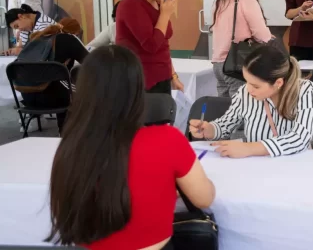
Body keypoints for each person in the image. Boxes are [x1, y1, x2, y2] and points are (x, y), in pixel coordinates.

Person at [45, 45, 215, 249]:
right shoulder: (167, 138)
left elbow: (63, 207)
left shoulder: (72, 145)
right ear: (137, 88)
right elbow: (204, 198)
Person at [190, 45, 313, 158]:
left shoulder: (305, 90)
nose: (249, 89)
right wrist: (209, 129)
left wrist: (249, 148)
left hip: (295, 167)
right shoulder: (244, 92)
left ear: (278, 83)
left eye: (256, 86)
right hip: (256, 166)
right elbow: (225, 125)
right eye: (247, 82)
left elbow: (300, 138)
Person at [116, 0, 184, 94]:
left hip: (162, 78)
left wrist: (173, 75)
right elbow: (151, 45)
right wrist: (165, 14)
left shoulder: (159, 3)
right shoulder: (130, 4)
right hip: (141, 81)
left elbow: (163, 43)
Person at [210, 0, 272, 97]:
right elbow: (262, 35)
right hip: (236, 64)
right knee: (242, 111)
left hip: (218, 64)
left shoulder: (221, 1)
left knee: (225, 112)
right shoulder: (246, 0)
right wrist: (270, 38)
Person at [19, 18, 88, 133]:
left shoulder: (36, 37)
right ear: (75, 33)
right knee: (80, 89)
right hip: (54, 99)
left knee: (60, 82)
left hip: (27, 98)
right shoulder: (69, 39)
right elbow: (91, 62)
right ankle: (66, 131)